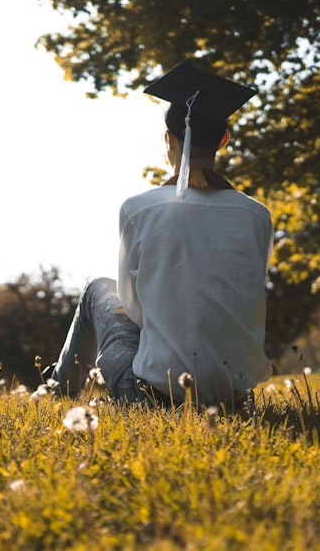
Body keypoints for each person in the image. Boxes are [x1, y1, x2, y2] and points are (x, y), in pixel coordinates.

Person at [46, 63, 273, 408]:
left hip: (154, 396)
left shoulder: (139, 209)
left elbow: (132, 307)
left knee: (99, 289)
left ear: (168, 138)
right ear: (224, 140)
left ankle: (58, 389)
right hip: (234, 398)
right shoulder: (258, 215)